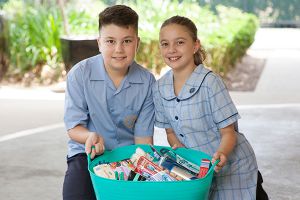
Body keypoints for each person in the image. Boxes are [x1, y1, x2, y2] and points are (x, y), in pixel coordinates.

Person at [153, 15, 268, 199]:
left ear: (195, 45)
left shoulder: (210, 83)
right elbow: (170, 133)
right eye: (165, 44)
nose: (171, 49)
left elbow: (228, 132)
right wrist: (185, 158)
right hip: (200, 171)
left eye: (180, 42)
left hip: (233, 167)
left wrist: (221, 154)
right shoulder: (159, 88)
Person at [63, 5, 155, 200]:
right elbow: (73, 128)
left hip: (130, 157)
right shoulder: (79, 75)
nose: (119, 49)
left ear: (137, 43)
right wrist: (90, 136)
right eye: (110, 41)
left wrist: (147, 172)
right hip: (87, 155)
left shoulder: (147, 82)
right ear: (99, 43)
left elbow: (143, 141)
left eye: (127, 41)